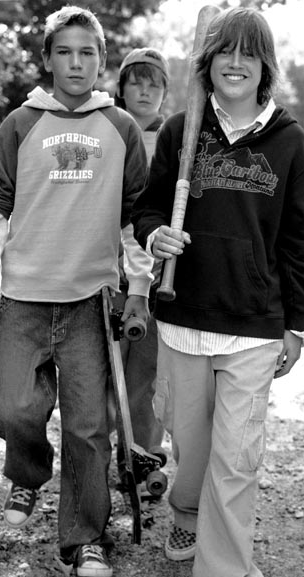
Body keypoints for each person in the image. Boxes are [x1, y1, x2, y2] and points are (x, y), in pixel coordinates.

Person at [132, 7, 304, 577]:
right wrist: (155, 235)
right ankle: (187, 510)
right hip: (183, 317)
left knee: (236, 460)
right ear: (207, 63)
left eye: (249, 53)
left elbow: (300, 241)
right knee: (192, 451)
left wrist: (295, 326)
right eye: (224, 52)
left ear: (266, 67)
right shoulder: (181, 130)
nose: (235, 63)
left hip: (255, 325)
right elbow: (147, 207)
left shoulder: (290, 141)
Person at [0, 5, 152, 577]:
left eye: (87, 53)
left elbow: (137, 219)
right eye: (65, 52)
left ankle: (85, 539)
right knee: (13, 408)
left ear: (102, 61)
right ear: (47, 60)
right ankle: (28, 473)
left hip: (90, 302)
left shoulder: (121, 128)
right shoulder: (20, 123)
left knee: (88, 426)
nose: (76, 63)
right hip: (23, 298)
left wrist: (139, 287)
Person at [112, 48, 169, 469]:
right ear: (122, 88)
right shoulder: (106, 130)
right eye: (137, 83)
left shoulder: (175, 141)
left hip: (157, 272)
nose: (145, 92)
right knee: (104, 371)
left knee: (147, 373)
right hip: (107, 269)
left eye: (155, 84)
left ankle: (143, 459)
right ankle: (100, 455)